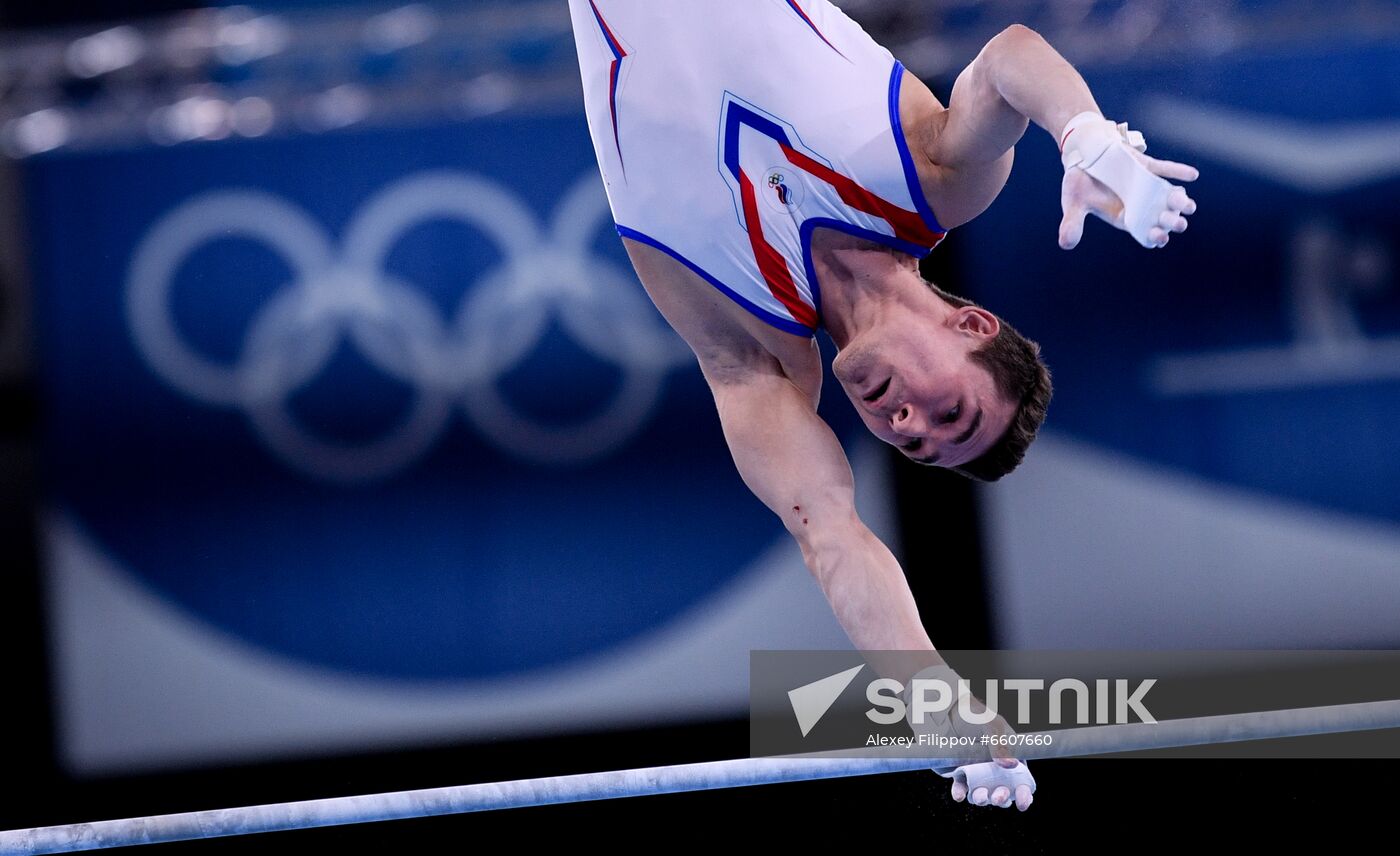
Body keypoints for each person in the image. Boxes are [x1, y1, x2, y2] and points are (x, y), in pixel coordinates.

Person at [567, 0, 1198, 811]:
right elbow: (1010, 57)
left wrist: (937, 708)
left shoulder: (752, 362)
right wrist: (1085, 136)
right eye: (949, 415)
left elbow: (832, 537)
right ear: (971, 324)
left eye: (914, 446)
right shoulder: (934, 175)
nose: (904, 425)